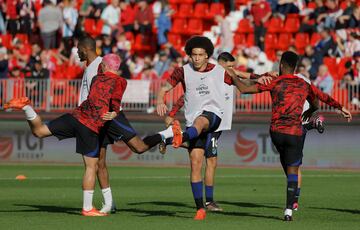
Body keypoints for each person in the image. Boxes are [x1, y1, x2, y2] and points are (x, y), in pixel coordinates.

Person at [229, 51, 352, 221]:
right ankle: (288, 210)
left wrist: (232, 76)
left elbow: (243, 88)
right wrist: (339, 107)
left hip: (276, 133)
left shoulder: (274, 81)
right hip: (294, 132)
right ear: (295, 68)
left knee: (286, 163)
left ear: (281, 65)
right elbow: (321, 97)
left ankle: (309, 126)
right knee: (293, 168)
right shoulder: (303, 83)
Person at [155, 36, 266, 220]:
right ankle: (200, 208)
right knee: (196, 162)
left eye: (201, 55)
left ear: (207, 56)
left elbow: (243, 81)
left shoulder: (219, 71)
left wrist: (263, 80)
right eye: (194, 55)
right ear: (190, 56)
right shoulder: (182, 71)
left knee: (204, 132)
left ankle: (178, 139)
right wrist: (161, 100)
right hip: (193, 122)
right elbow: (165, 88)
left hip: (214, 118)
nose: (197, 58)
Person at [4, 54, 128, 216]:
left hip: (74, 116)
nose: (100, 67)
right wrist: (113, 113)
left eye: (102, 64)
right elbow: (115, 103)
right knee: (91, 166)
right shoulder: (121, 81)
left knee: (39, 131)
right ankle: (88, 208)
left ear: (105, 66)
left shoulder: (96, 78)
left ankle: (27, 107)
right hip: (89, 125)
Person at [77, 36, 116, 214]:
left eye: (78, 48)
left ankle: (105, 204)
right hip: (87, 119)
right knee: (98, 162)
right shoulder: (90, 67)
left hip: (95, 121)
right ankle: (109, 203)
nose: (77, 52)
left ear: (86, 49)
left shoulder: (100, 66)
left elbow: (110, 91)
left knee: (96, 162)